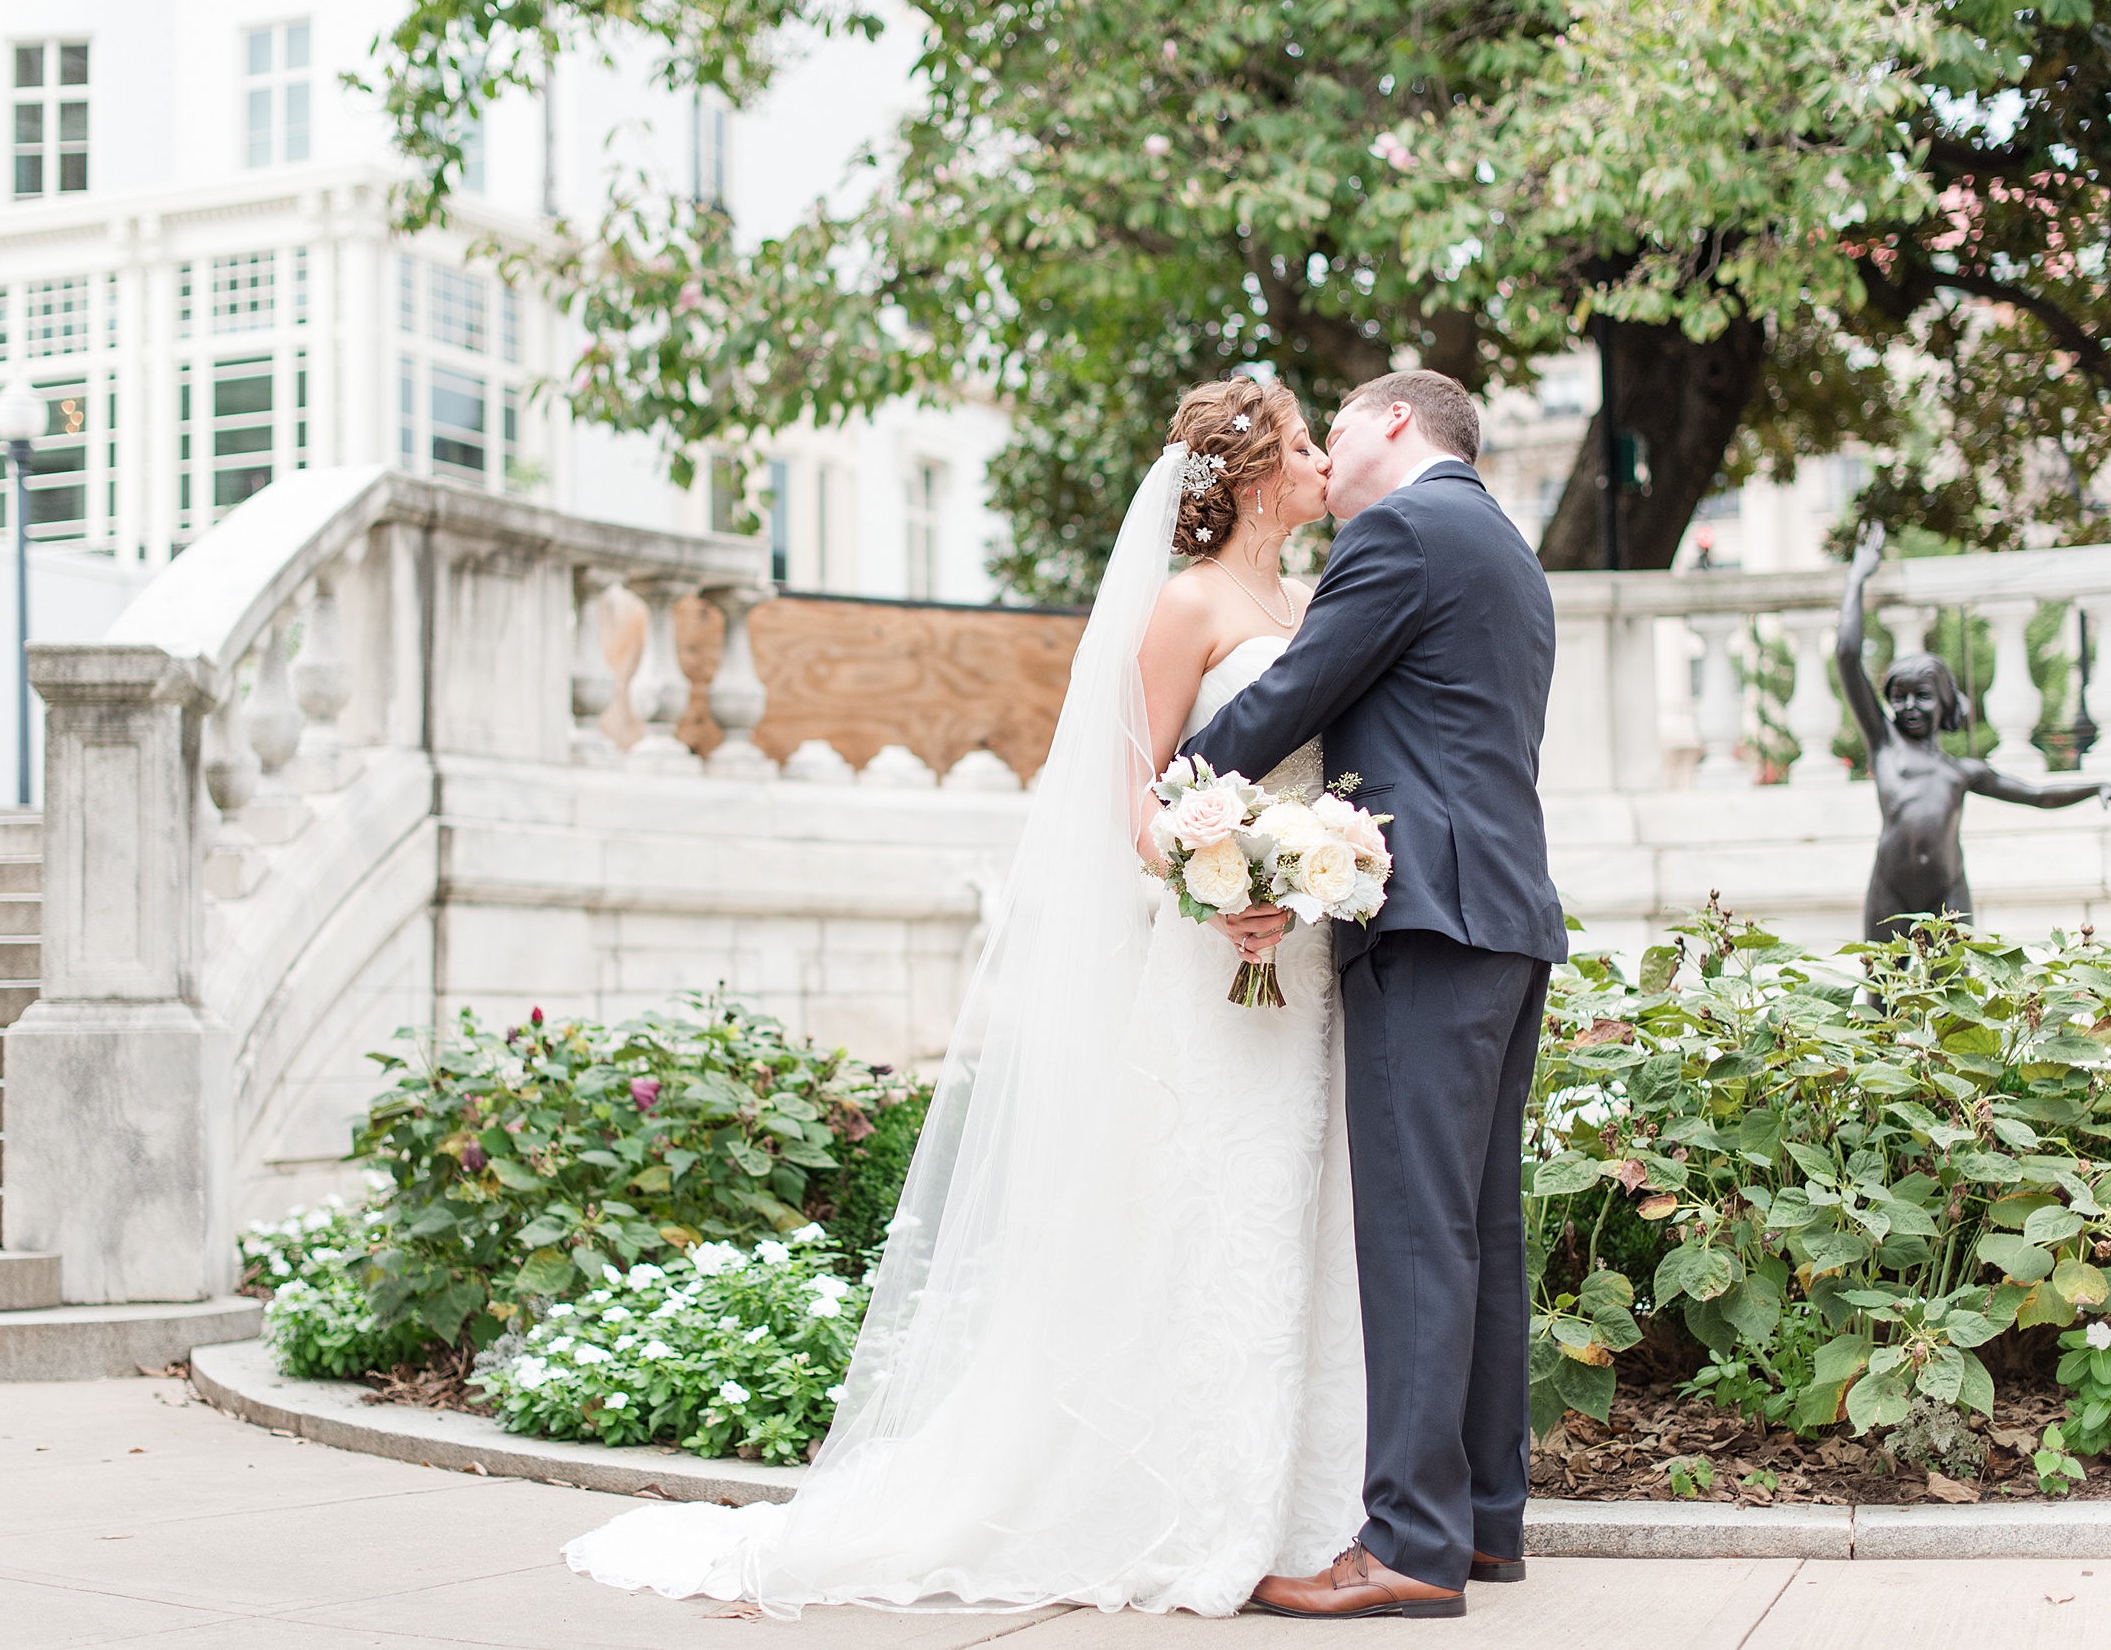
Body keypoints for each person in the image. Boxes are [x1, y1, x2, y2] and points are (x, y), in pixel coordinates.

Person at [561, 374, 1369, 1615]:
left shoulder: (1315, 600)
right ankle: (1213, 1517)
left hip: (1304, 963)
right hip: (1217, 958)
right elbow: (1133, 797)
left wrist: (1312, 868)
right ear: (1256, 476)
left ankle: (1306, 1505)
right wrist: (1219, 883)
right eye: (1306, 446)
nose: (1324, 464)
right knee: (1211, 1211)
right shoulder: (1185, 605)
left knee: (1297, 1214)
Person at [1184, 368, 1565, 1619]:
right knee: (1477, 1231)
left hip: (1426, 919)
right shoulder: (1502, 544)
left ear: (1396, 421)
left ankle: (1405, 1542)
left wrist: (1175, 796)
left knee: (1413, 1229)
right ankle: (1485, 1525)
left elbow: (1293, 697)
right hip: (1506, 920)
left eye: (1333, 426)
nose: (1323, 450)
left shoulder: (1399, 529)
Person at [1837, 529, 2111, 944]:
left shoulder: (1962, 772)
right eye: (1899, 697)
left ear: (1944, 701)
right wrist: (1857, 579)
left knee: (1954, 996)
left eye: (1922, 696)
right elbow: (1848, 656)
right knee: (1883, 996)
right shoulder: (1884, 744)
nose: (1908, 706)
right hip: (1890, 891)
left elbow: (2037, 795)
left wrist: (2097, 786)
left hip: (1948, 893)